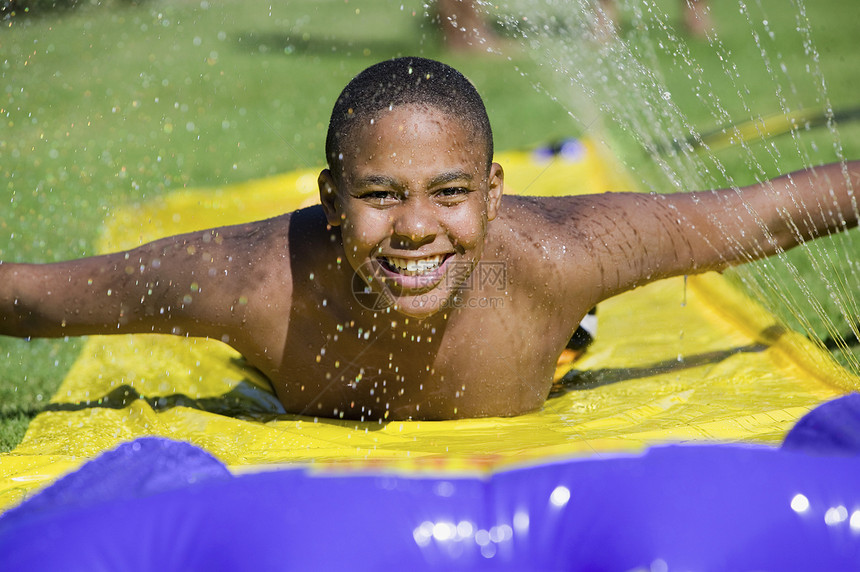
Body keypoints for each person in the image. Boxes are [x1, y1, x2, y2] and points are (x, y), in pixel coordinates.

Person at [1, 57, 857, 421]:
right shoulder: (247, 282)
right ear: (330, 200)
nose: (415, 226)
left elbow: (763, 214)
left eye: (448, 193)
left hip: (541, 325)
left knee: (568, 336)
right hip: (285, 364)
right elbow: (38, 296)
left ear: (492, 196)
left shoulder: (564, 255)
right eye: (380, 196)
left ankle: (572, 340)